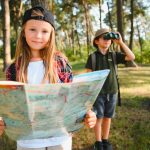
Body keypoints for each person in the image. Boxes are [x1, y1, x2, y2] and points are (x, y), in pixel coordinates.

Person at [0, 6, 97, 150]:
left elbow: (75, 98)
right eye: (32, 29)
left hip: (59, 138)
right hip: (28, 141)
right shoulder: (14, 68)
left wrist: (89, 114)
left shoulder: (60, 62)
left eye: (44, 31)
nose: (38, 36)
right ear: (23, 32)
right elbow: (10, 105)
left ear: (51, 34)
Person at [85, 28, 135, 150]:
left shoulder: (114, 55)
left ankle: (105, 140)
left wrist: (121, 43)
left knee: (108, 117)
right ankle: (98, 142)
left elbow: (131, 57)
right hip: (98, 94)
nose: (107, 40)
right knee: (98, 118)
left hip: (112, 92)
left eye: (109, 38)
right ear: (97, 41)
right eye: (104, 38)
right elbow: (88, 77)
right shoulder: (92, 57)